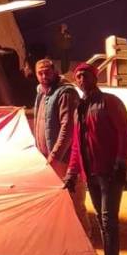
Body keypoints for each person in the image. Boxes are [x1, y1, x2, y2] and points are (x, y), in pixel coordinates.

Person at [66, 63, 127, 255]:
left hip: (110, 172)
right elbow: (77, 143)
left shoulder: (110, 102)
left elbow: (125, 133)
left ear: (94, 77)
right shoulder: (81, 107)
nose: (81, 79)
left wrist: (121, 161)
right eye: (78, 76)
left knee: (108, 220)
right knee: (104, 223)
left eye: (85, 75)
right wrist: (72, 172)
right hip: (91, 173)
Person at [32, 57, 87, 225]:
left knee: (73, 200)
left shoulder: (65, 92)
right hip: (48, 157)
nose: (43, 76)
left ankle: (85, 240)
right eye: (40, 73)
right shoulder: (42, 91)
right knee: (58, 201)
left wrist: (55, 156)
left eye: (47, 72)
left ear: (55, 72)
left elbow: (68, 128)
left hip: (65, 159)